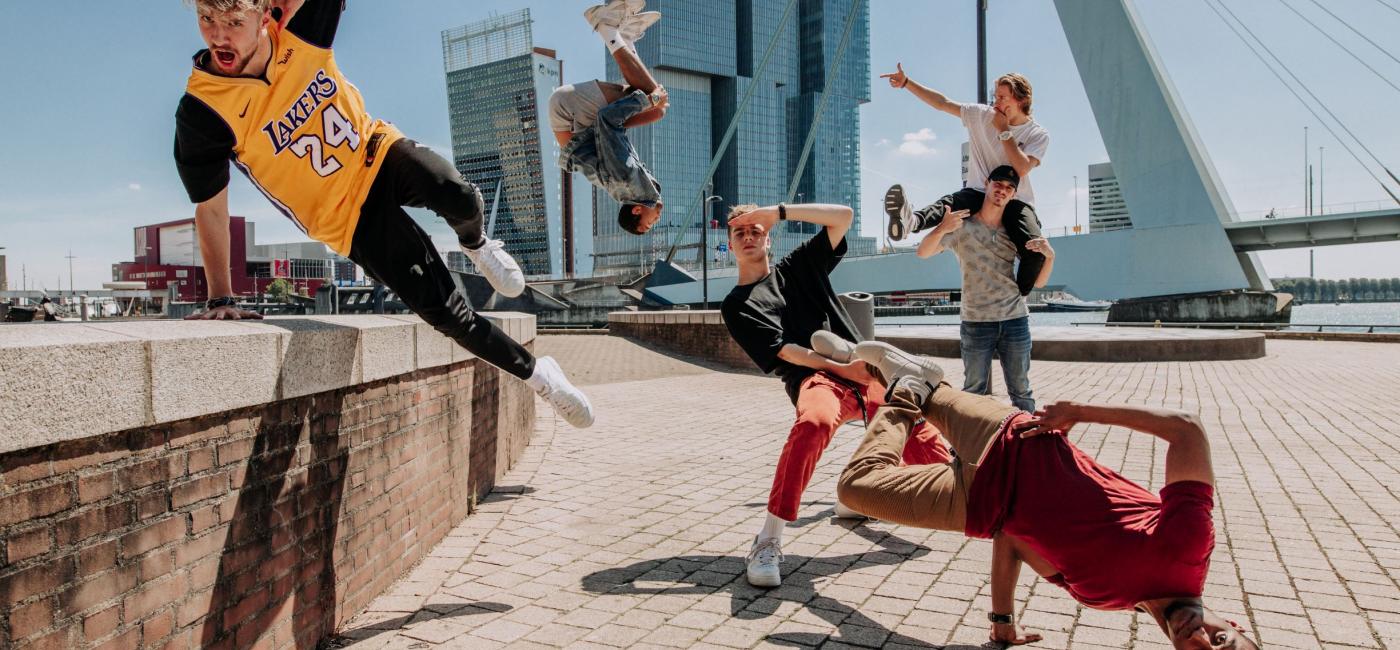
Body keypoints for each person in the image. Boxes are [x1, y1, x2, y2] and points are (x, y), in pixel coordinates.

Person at [173, 0, 593, 428]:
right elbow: (211, 210)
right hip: (346, 217)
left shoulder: (300, 31)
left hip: (375, 152)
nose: (218, 35)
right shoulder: (203, 110)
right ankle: (541, 375)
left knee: (458, 194)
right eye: (207, 20)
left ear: (264, 17)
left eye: (232, 22)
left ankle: (477, 244)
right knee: (445, 310)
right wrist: (221, 297)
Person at [835, 342, 1259, 650]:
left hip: (979, 505)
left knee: (856, 487)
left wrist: (1002, 620)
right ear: (1237, 626)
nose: (1200, 637)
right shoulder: (1187, 551)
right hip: (1013, 440)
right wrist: (1081, 412)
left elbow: (1016, 540)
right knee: (931, 392)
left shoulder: (1105, 598)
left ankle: (895, 381)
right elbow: (1187, 428)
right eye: (1223, 640)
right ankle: (863, 363)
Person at [720, 202, 949, 588]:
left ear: (768, 238)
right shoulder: (737, 305)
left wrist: (779, 212)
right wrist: (840, 368)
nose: (748, 237)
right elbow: (784, 350)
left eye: (755, 230)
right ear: (728, 244)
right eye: (739, 233)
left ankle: (858, 496)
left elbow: (843, 216)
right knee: (815, 423)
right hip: (816, 377)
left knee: (935, 458)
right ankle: (768, 539)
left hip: (865, 368)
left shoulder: (799, 266)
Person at [880, 64, 1050, 296]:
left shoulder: (1037, 134)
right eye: (995, 96)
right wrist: (907, 83)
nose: (996, 103)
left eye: (1002, 97)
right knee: (952, 202)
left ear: (1021, 99)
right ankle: (912, 221)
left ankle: (1016, 296)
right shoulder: (982, 115)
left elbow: (1021, 168)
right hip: (980, 191)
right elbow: (942, 103)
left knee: (1035, 251)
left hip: (1016, 199)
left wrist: (1003, 131)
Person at [916, 165, 1054, 413]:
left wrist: (1050, 257)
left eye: (1009, 188)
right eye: (998, 184)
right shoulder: (962, 227)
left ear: (1013, 195)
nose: (1002, 191)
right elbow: (923, 252)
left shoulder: (1014, 232)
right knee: (973, 392)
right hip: (976, 321)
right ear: (987, 184)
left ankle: (1026, 447)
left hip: (1015, 319)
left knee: (1021, 390)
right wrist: (941, 228)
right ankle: (967, 449)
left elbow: (1040, 283)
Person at [550, 0, 669, 235]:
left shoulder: (626, 179)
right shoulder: (631, 189)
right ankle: (626, 38)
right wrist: (652, 104)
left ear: (636, 211)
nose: (657, 219)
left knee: (653, 98)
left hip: (570, 113)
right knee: (658, 112)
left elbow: (607, 120)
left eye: (650, 222)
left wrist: (651, 99)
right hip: (576, 123)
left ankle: (608, 28)